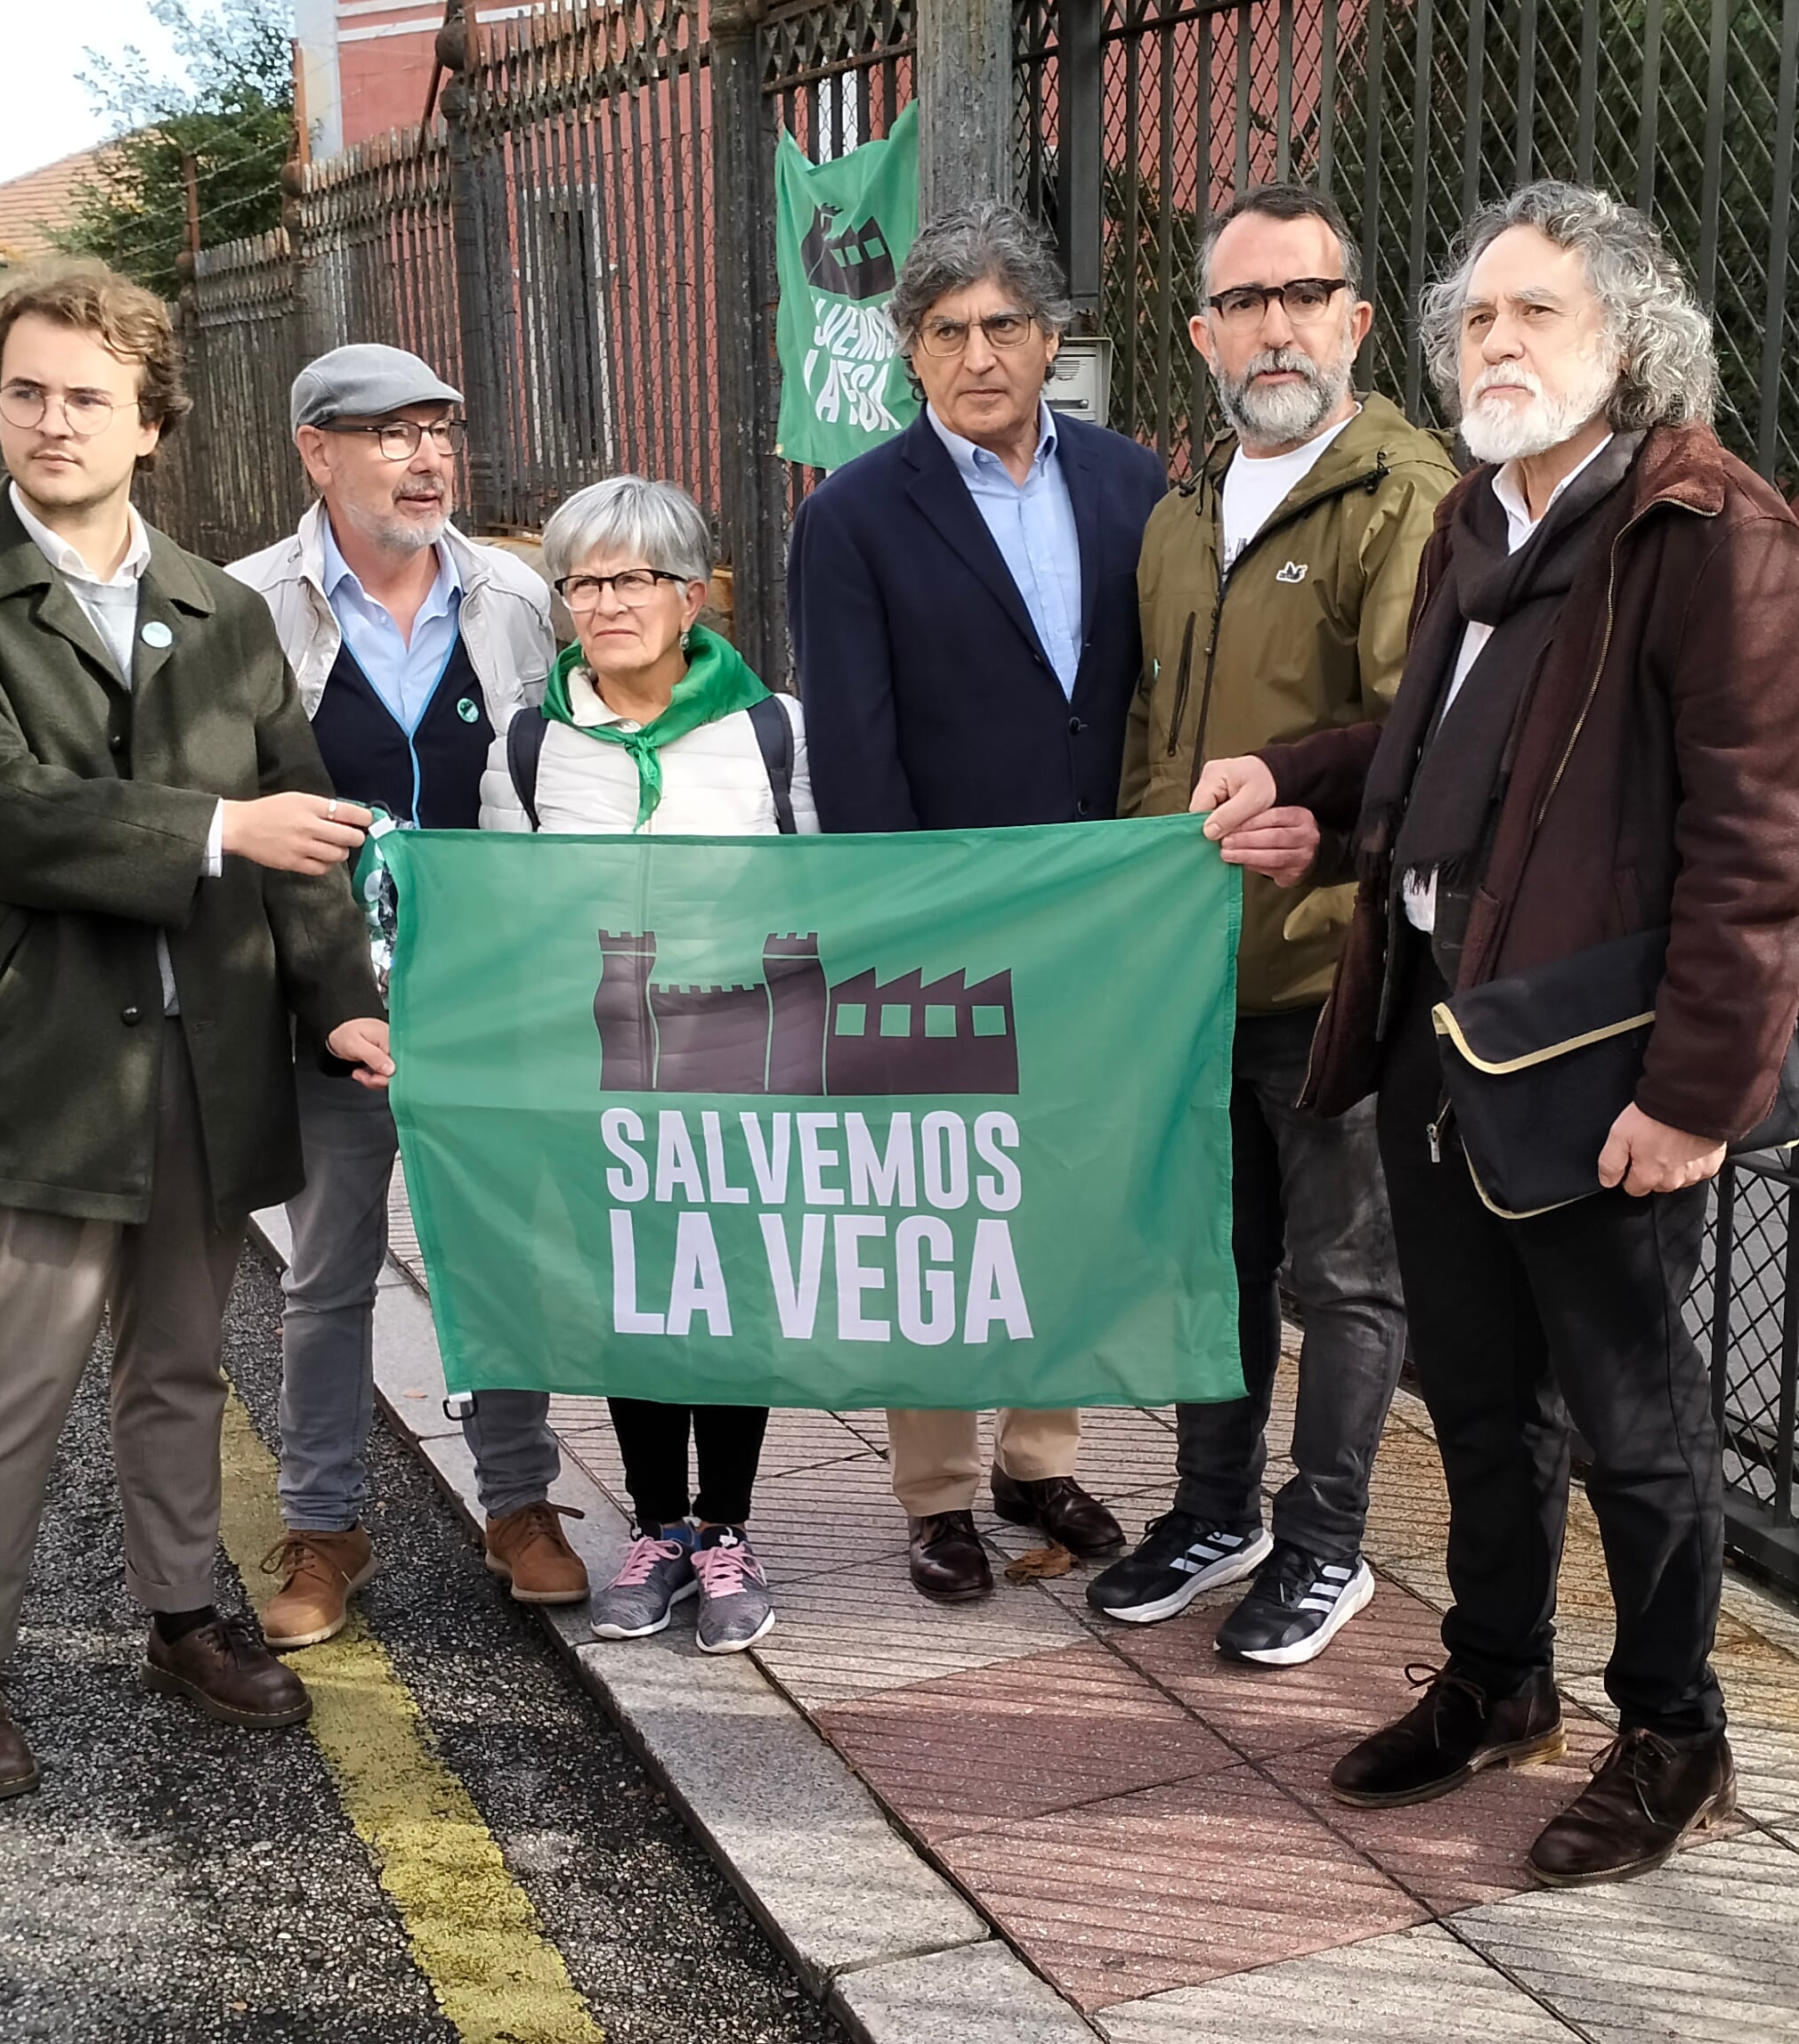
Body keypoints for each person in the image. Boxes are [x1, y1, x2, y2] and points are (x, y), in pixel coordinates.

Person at [1193, 183, 1799, 1882]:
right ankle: (1498, 1682)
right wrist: (1303, 784)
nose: (1494, 342)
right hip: (1437, 1042)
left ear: (1626, 338)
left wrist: (1698, 1091)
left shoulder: (1710, 536)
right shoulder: (1481, 526)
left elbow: (1762, 846)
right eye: (1478, 317)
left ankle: (1674, 1735)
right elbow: (1430, 760)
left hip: (1599, 1069)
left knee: (1632, 1419)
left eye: (1533, 314)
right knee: (1476, 1399)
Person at [0, 258, 393, 1801]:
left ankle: (185, 1616)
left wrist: (342, 1005)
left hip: (207, 1055)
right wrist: (223, 829)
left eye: (87, 397)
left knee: (177, 1367)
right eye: (26, 392)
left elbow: (312, 840)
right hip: (47, 1060)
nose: (52, 422)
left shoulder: (222, 612)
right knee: (14, 1371)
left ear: (151, 421)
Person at [787, 201, 1167, 1604]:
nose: (979, 351)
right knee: (937, 1206)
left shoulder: (1136, 485)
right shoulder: (853, 514)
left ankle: (1038, 1455)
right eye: (945, 329)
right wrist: (899, 924)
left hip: (1103, 921)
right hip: (939, 921)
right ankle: (940, 1494)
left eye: (1005, 324)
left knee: (1065, 1191)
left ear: (1050, 339)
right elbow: (853, 743)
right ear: (910, 352)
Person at [1098, 183, 1447, 1668]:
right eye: (1245, 301)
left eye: (1306, 294)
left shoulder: (1400, 494)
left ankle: (1325, 1542)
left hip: (1327, 967)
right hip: (1189, 969)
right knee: (1211, 1261)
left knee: (1345, 1272)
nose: (1276, 325)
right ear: (1202, 333)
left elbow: (1419, 726)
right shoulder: (1180, 514)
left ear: (1356, 319)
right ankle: (1213, 1509)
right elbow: (1148, 736)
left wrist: (1335, 844)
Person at [225, 343, 588, 1650]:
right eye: (389, 434)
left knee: (503, 1260)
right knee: (327, 1279)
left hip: (494, 1003)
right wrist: (314, 997)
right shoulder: (244, 608)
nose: (427, 457)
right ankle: (325, 1525)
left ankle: (522, 1503)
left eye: (440, 430)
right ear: (316, 452)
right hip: (330, 1005)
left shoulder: (517, 597)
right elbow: (232, 825)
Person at [477, 473, 814, 1652]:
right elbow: (499, 918)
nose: (606, 602)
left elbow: (817, 899)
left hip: (733, 1059)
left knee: (727, 1292)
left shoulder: (772, 729)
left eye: (634, 578)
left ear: (694, 594)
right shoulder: (528, 745)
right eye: (582, 580)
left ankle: (727, 1528)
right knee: (633, 1289)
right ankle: (657, 1525)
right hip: (590, 1070)